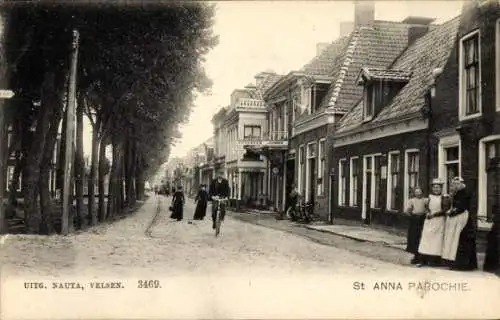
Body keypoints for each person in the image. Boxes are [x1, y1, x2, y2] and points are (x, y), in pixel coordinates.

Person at [442, 177, 478, 271]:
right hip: (458, 218)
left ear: (462, 183)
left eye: (458, 183)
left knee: (463, 240)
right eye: (454, 184)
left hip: (464, 219)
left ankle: (464, 265)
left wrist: (452, 213)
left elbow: (462, 207)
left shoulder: (466, 193)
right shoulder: (457, 193)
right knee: (457, 240)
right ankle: (457, 263)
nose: (456, 185)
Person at [417, 178, 446, 267]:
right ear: (432, 188)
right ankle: (423, 259)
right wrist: (428, 212)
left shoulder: (444, 197)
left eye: (438, 187)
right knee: (426, 239)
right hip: (429, 221)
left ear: (441, 188)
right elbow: (426, 208)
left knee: (437, 241)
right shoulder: (428, 198)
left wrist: (434, 214)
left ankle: (435, 261)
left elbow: (445, 210)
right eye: (434, 187)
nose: (436, 189)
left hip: (439, 221)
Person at [405, 187, 428, 265]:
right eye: (416, 192)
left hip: (423, 219)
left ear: (422, 192)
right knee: (414, 238)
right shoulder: (411, 201)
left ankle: (423, 257)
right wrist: (412, 218)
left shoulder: (426, 200)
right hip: (415, 220)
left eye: (419, 192)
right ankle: (416, 256)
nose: (418, 193)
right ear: (414, 193)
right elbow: (407, 211)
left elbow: (428, 209)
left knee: (423, 237)